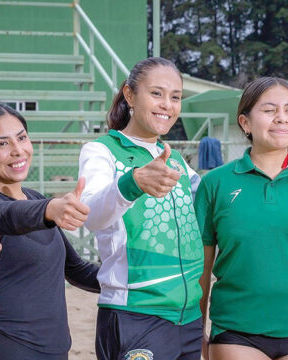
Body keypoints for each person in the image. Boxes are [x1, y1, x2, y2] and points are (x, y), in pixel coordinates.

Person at [195, 77, 288, 360]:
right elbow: (201, 270)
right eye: (269, 110)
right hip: (235, 332)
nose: (281, 118)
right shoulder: (215, 184)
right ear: (245, 123)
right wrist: (196, 332)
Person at [79, 57, 204, 360]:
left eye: (175, 97)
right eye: (157, 93)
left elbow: (214, 205)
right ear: (130, 95)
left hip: (188, 320)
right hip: (134, 314)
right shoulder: (102, 150)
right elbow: (91, 214)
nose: (167, 104)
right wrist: (132, 182)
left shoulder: (175, 161)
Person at [0, 102, 100, 360]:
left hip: (55, 349)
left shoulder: (33, 197)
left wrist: (131, 278)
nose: (18, 151)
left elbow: (76, 270)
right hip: (8, 347)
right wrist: (50, 208)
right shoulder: (2, 205)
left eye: (22, 138)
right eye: (2, 144)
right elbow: (4, 215)